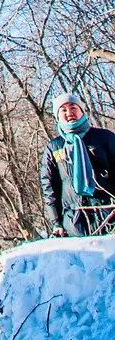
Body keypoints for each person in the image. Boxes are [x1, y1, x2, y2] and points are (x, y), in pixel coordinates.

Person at [41, 91, 115, 237]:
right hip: (74, 220)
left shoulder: (104, 138)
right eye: (63, 110)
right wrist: (56, 222)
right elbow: (49, 186)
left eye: (73, 108)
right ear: (57, 116)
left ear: (82, 111)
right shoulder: (54, 146)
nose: (69, 113)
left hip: (109, 212)